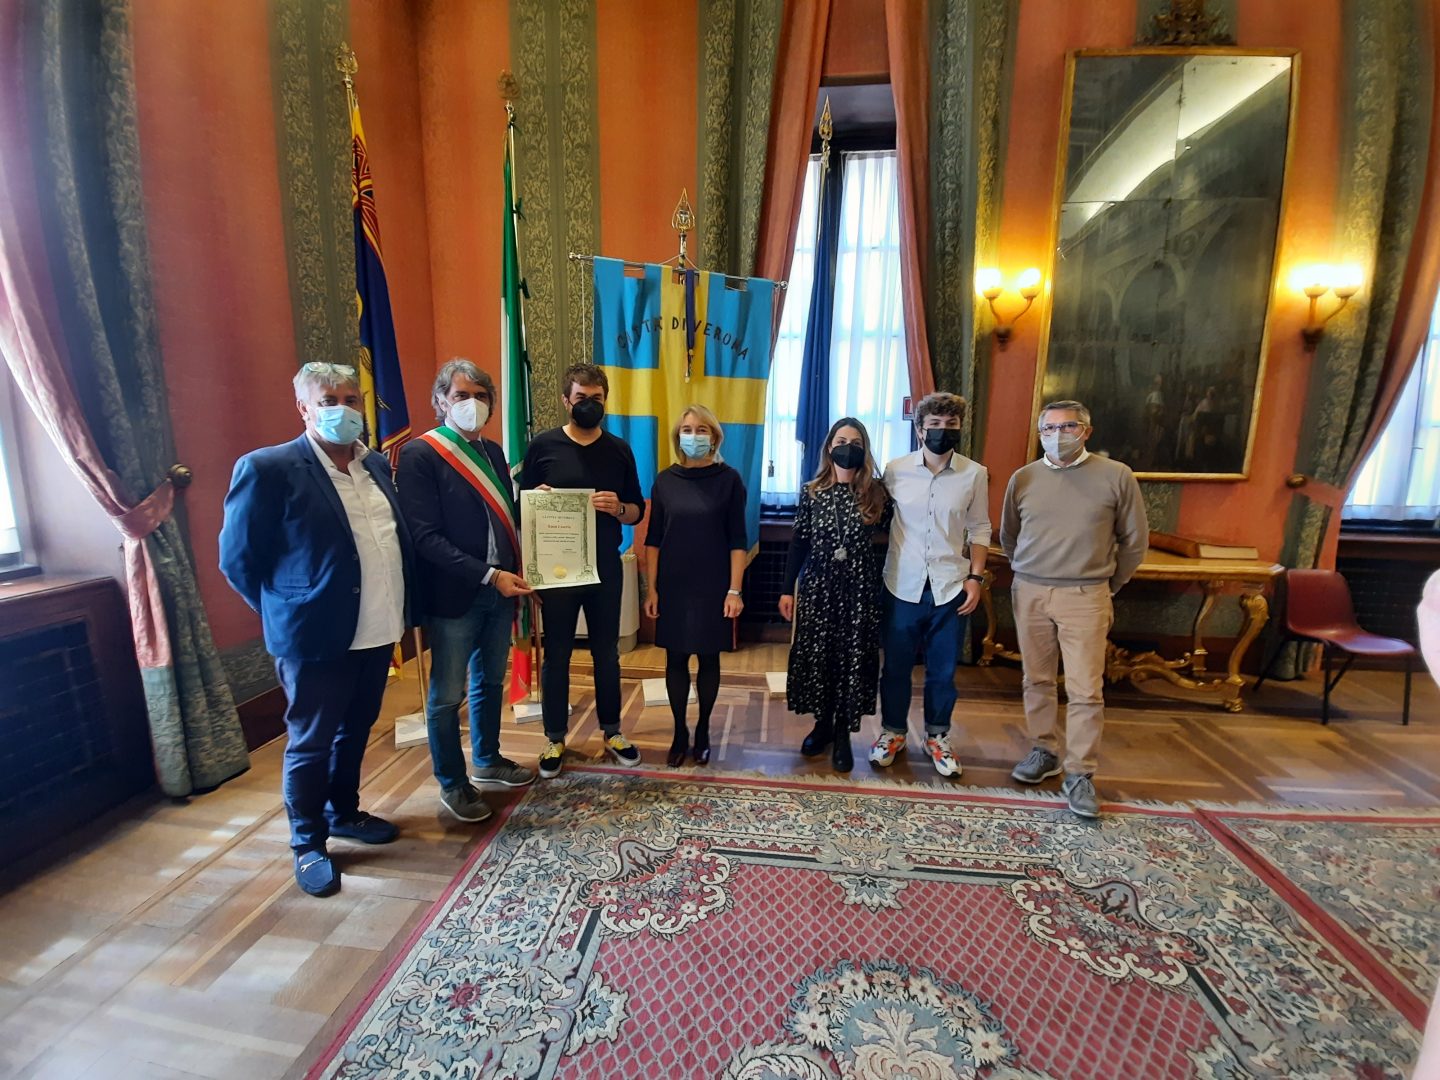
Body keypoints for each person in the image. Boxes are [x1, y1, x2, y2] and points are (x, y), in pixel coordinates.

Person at [219, 362, 413, 897]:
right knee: (311, 740)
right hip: (313, 637)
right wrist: (287, 611)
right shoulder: (268, 468)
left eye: (351, 399)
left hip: (378, 626)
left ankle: (343, 812)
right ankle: (307, 842)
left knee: (356, 728)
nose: (342, 410)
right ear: (304, 408)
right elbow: (237, 560)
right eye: (329, 400)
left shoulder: (376, 466)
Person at [396, 359, 536, 825]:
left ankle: (488, 759)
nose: (471, 404)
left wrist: (538, 503)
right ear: (441, 401)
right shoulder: (421, 454)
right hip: (456, 593)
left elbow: (501, 518)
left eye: (480, 396)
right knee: (446, 694)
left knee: (490, 681)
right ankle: (453, 783)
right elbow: (425, 537)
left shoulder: (493, 452)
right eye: (461, 396)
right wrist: (487, 575)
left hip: (500, 590)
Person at [1000, 399, 1148, 818]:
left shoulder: (1116, 476)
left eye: (1067, 427)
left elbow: (1134, 541)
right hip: (1030, 591)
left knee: (1085, 689)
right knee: (1036, 678)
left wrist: (1107, 585)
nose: (1057, 435)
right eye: (1049, 428)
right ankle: (1044, 750)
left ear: (1086, 431)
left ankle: (1080, 773)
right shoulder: (1024, 478)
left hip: (1085, 594)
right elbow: (1010, 535)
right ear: (1040, 434)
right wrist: (1028, 571)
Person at [520, 363, 645, 778]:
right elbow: (522, 508)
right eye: (580, 398)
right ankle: (554, 737)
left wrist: (619, 508)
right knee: (556, 653)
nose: (589, 405)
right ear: (565, 401)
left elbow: (637, 509)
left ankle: (613, 731)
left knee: (606, 652)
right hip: (557, 570)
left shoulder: (619, 450)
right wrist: (536, 498)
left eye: (596, 399)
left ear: (605, 401)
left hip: (605, 565)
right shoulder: (543, 446)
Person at [870, 392, 990, 778]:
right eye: (934, 424)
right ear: (920, 430)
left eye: (950, 425)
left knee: (942, 671)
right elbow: (875, 515)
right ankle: (893, 732)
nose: (942, 431)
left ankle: (937, 736)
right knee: (895, 669)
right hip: (900, 586)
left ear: (960, 428)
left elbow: (980, 528)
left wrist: (976, 578)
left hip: (950, 588)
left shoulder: (975, 474)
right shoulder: (895, 470)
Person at [778, 418, 893, 772]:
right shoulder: (812, 491)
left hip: (858, 592)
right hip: (818, 589)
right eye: (841, 441)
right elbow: (799, 542)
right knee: (821, 657)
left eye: (855, 442)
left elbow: (900, 536)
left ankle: (843, 732)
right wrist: (786, 590)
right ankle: (822, 724)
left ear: (864, 450)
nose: (847, 448)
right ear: (829, 447)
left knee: (850, 659)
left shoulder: (876, 493)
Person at [643, 405, 748, 767]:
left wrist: (734, 590)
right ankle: (679, 732)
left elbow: (738, 540)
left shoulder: (729, 479)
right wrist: (651, 589)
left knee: (708, 657)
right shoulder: (665, 480)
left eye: (702, 430)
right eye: (687, 429)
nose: (694, 435)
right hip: (673, 584)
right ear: (678, 437)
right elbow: (653, 539)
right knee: (674, 658)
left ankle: (702, 730)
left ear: (714, 437)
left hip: (713, 584)